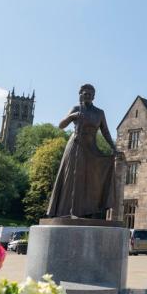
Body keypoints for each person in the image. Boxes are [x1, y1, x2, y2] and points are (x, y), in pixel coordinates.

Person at [47, 83, 122, 219]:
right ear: (80, 95)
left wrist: (114, 147)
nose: (87, 96)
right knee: (72, 177)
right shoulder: (76, 108)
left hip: (92, 148)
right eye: (84, 93)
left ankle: (89, 211)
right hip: (76, 144)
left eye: (90, 94)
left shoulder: (99, 113)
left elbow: (105, 131)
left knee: (92, 179)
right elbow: (61, 125)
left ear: (94, 97)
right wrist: (72, 116)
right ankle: (66, 212)